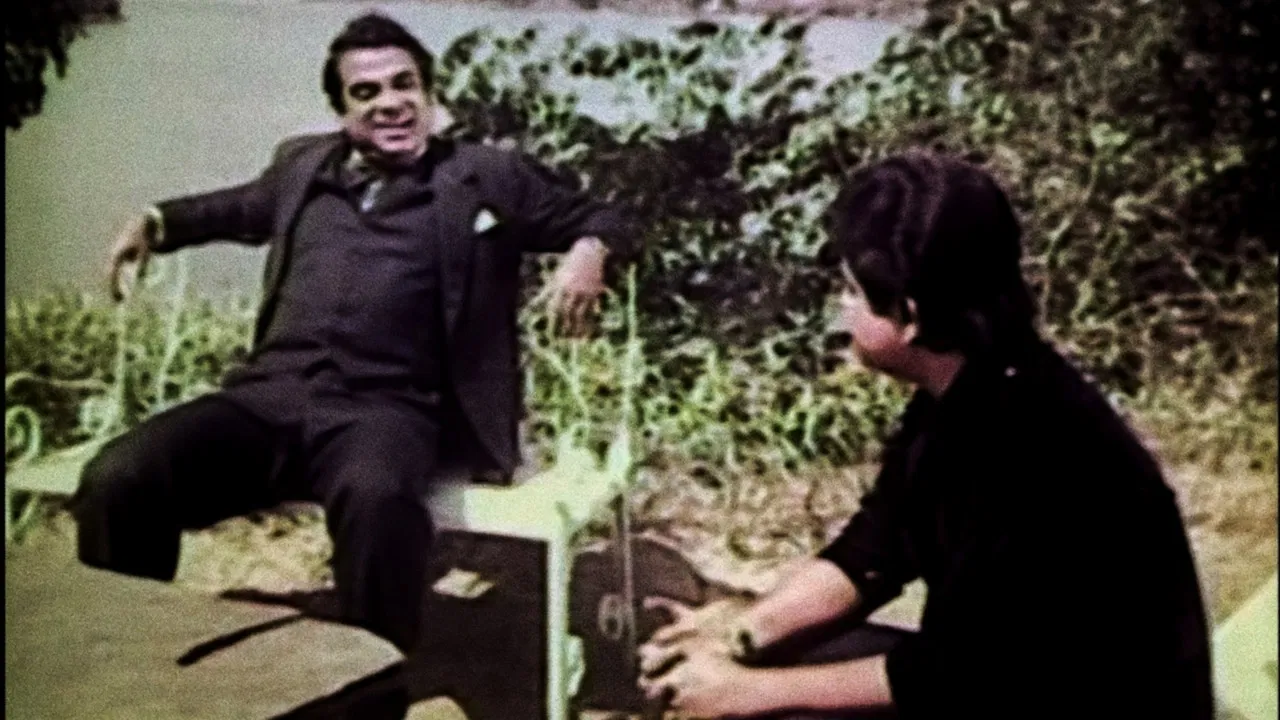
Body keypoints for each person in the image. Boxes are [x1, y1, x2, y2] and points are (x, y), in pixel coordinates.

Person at [70, 12, 634, 660]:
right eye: (366, 92)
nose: (390, 103)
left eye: (404, 84)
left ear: (430, 94)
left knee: (378, 501)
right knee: (121, 476)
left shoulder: (485, 176)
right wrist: (155, 221)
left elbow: (610, 216)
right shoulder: (302, 166)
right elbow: (235, 208)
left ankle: (372, 680)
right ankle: (124, 660)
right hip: (266, 400)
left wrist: (590, 249)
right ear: (341, 111)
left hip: (387, 410)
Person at [637, 152, 1214, 719]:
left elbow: (966, 674)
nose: (840, 310)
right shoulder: (968, 391)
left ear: (909, 315)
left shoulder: (1031, 446)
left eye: (851, 291)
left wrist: (745, 693)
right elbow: (873, 553)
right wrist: (738, 637)